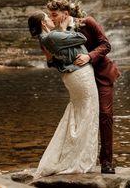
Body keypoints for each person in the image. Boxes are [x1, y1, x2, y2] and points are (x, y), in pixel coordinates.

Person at [46, 0, 121, 174]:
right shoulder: (56, 34)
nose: (52, 18)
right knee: (80, 117)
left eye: (54, 15)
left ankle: (106, 161)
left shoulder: (87, 22)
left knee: (105, 114)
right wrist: (49, 58)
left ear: (66, 13)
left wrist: (89, 57)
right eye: (50, 15)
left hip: (101, 76)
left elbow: (106, 45)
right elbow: (57, 61)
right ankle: (79, 158)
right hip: (81, 81)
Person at [28, 11, 99, 178]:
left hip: (73, 75)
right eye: (47, 18)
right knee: (88, 114)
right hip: (80, 74)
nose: (51, 19)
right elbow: (82, 39)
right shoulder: (51, 37)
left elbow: (51, 61)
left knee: (80, 113)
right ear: (43, 24)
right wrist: (65, 27)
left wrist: (60, 29)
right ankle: (77, 160)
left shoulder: (45, 39)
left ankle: (72, 156)